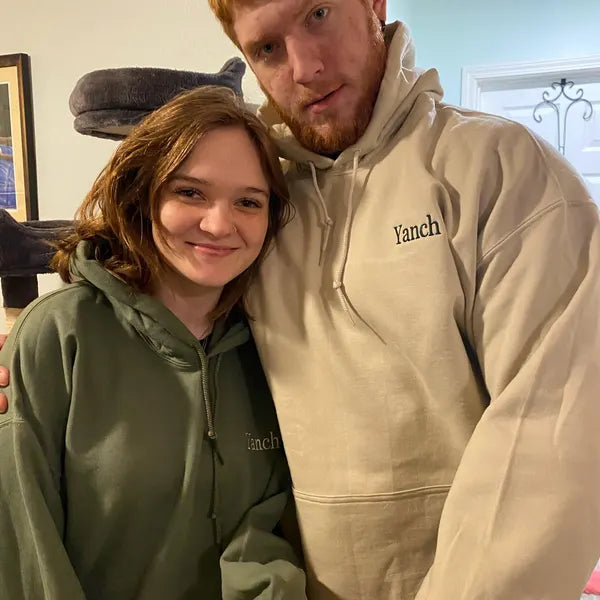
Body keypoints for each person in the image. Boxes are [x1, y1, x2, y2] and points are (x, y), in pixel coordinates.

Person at [1, 0, 600, 598]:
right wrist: (29, 360)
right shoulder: (270, 190)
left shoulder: (501, 169)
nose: (305, 67)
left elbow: (553, 440)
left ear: (374, 5)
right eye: (266, 48)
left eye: (318, 14)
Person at [0, 85, 306, 599]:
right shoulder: (59, 335)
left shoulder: (271, 347)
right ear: (143, 195)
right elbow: (24, 545)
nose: (219, 224)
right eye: (191, 193)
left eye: (248, 202)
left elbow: (265, 531)